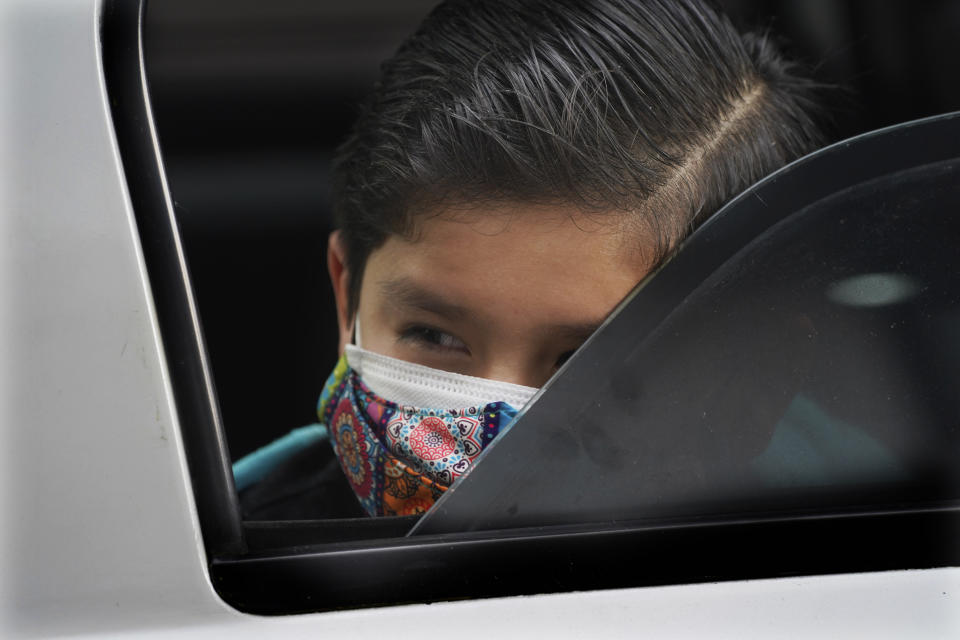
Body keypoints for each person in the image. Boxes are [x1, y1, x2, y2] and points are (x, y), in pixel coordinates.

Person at [236, 0, 828, 519]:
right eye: (433, 335)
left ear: (764, 383)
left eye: (586, 361)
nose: (489, 439)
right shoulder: (224, 570)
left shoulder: (868, 555)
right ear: (347, 299)